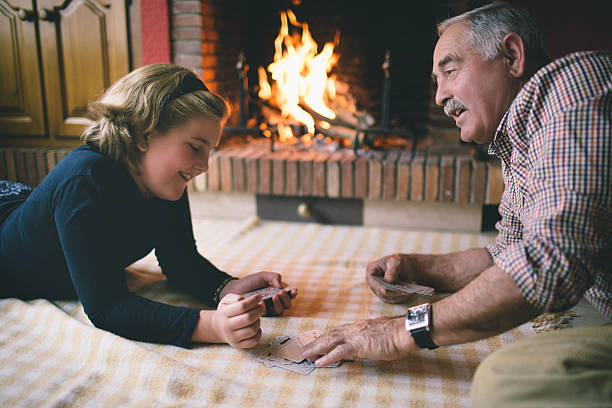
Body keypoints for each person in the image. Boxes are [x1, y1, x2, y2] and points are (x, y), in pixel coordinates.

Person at [302, 2, 612, 406]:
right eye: (435, 81)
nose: (439, 96)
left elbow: (550, 261)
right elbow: (509, 253)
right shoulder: (523, 135)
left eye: (450, 71)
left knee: (505, 381)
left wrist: (398, 332)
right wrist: (419, 267)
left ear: (512, 56)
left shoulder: (575, 89)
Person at [0, 64, 297, 349]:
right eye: (195, 146)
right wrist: (213, 326)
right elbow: (107, 307)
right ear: (144, 135)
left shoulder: (163, 181)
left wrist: (228, 288)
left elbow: (180, 260)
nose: (204, 165)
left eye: (210, 151)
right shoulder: (84, 180)